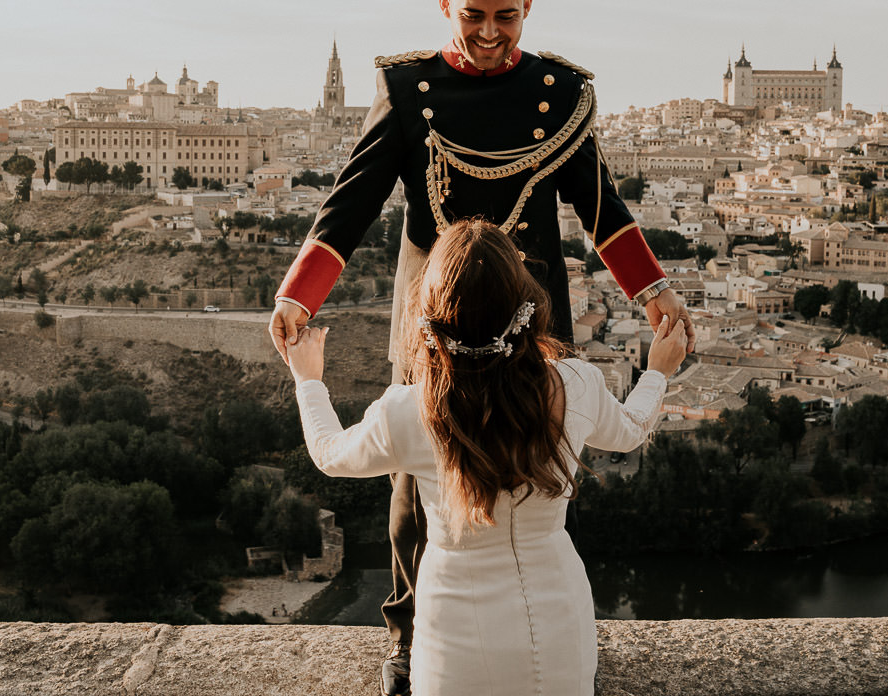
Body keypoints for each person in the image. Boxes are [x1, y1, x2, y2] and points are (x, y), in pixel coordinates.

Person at [268, 0, 694, 694]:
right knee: (413, 486)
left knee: (542, 465)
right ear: (446, 5)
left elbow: (601, 205)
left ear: (528, 8)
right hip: (433, 317)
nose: (490, 32)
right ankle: (408, 636)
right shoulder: (407, 90)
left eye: (506, 15)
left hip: (532, 319)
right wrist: (300, 293)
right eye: (473, 15)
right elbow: (352, 202)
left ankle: (544, 621)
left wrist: (651, 290)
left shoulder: (560, 95)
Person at [283, 220, 688, 695]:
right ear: (524, 306)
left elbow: (331, 455)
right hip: (559, 625)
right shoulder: (575, 384)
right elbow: (632, 430)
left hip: (452, 631)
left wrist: (308, 379)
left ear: (432, 312)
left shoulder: (409, 410)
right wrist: (657, 371)